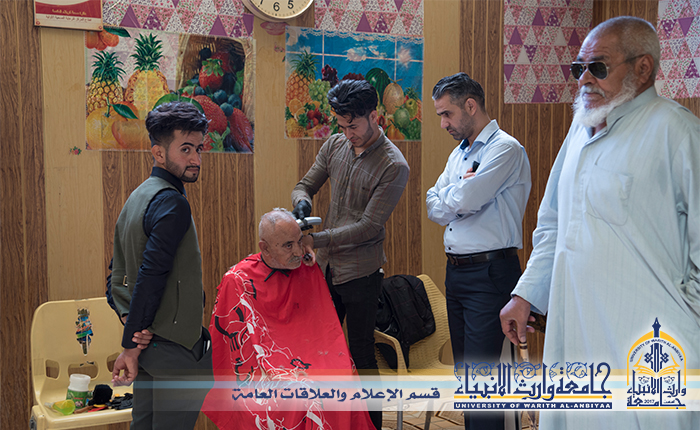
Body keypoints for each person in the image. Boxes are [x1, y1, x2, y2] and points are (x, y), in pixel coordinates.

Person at [500, 16, 700, 430]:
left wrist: (687, 322)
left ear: (642, 68)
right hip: (574, 329)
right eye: (579, 68)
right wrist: (526, 294)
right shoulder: (580, 130)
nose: (584, 79)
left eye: (598, 67)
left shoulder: (678, 132)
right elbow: (553, 223)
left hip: (648, 340)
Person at [292, 79, 409, 429]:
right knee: (318, 348)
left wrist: (318, 239)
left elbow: (369, 226)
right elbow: (304, 185)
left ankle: (372, 425)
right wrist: (301, 204)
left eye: (353, 126)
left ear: (375, 116)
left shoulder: (394, 165)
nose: (348, 134)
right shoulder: (335, 144)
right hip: (326, 268)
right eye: (342, 126)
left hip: (361, 273)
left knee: (361, 352)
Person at [202, 209, 375, 430]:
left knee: (342, 379)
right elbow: (231, 348)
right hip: (267, 363)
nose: (297, 251)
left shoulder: (307, 269)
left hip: (311, 355)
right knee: (295, 394)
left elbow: (325, 329)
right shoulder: (238, 280)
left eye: (299, 241)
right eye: (288, 245)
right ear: (264, 248)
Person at [427, 73, 531, 430]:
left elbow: (466, 199)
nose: (444, 123)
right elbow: (433, 205)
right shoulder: (459, 154)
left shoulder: (505, 149)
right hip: (456, 272)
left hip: (490, 273)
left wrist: (457, 196)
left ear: (470, 105)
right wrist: (458, 195)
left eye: (447, 114)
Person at [110, 101, 213, 429]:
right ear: (158, 153)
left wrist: (132, 328)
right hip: (174, 353)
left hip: (150, 351)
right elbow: (151, 275)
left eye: (198, 148)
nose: (196, 159)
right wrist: (130, 344)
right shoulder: (172, 203)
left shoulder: (137, 197)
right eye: (185, 149)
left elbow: (116, 275)